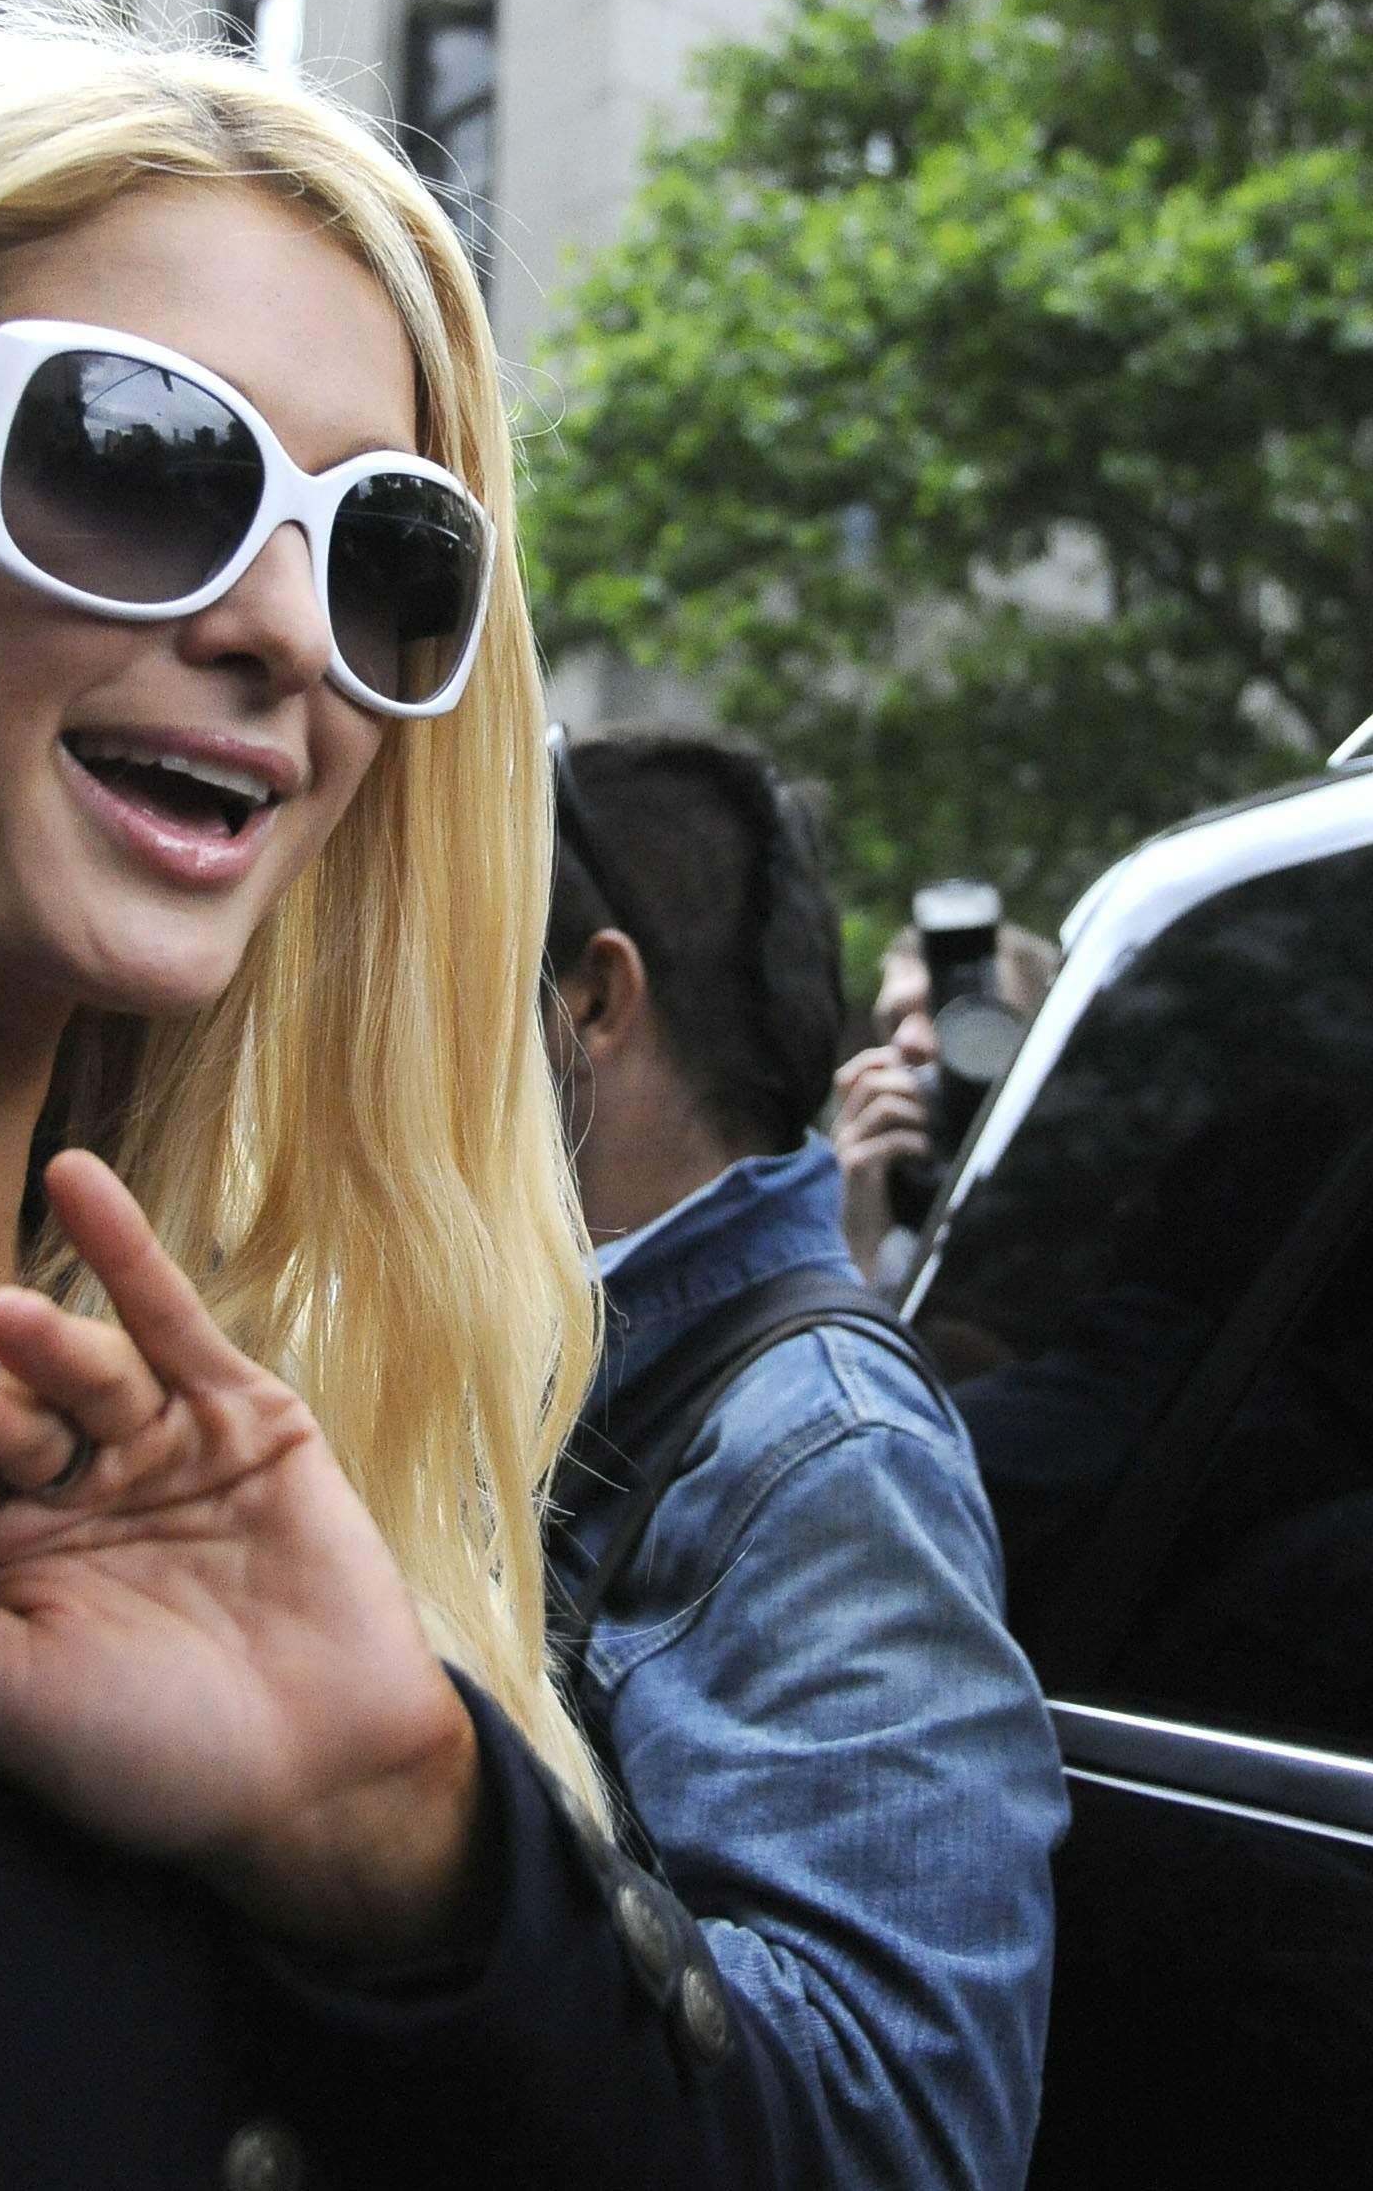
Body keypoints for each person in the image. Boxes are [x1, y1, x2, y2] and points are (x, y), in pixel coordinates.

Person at [0, 0, 820, 2191]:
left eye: (384, 550)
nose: (289, 629)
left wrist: (398, 1834)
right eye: (137, 457)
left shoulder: (287, 1422)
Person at [541, 725, 1069, 2191]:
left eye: (458, 974)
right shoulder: (572, 1348)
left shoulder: (829, 1448)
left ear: (590, 998)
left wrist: (430, 1856)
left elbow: (901, 2123)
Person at [835, 914, 1061, 1288]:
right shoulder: (884, 1212)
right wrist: (854, 1237)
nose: (906, 1041)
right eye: (893, 1023)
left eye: (953, 1014)